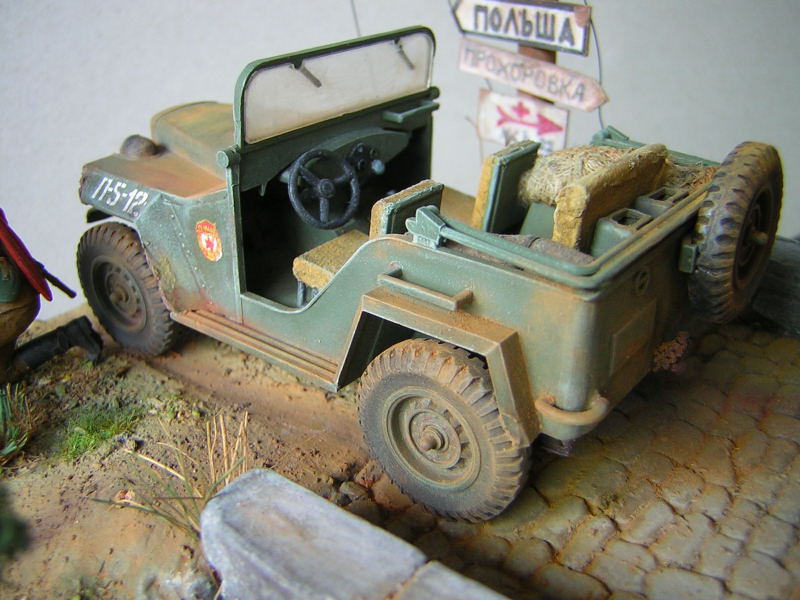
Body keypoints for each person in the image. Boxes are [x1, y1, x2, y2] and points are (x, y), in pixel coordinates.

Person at [0, 209, 101, 383]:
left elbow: (9, 290)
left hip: (14, 306)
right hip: (12, 300)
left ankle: (70, 335)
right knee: (4, 365)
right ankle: (75, 333)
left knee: (3, 375)